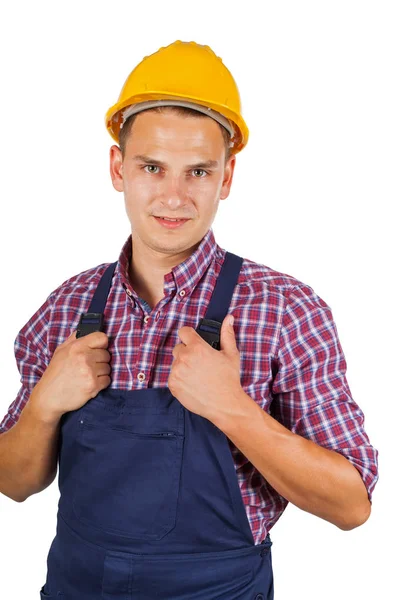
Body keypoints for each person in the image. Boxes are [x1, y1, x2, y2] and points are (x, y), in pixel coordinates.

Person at [0, 40, 379, 599]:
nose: (174, 197)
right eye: (152, 167)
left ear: (226, 178)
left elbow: (352, 506)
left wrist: (232, 408)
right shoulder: (66, 309)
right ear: (117, 167)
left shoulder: (284, 311)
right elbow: (14, 482)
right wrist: (46, 404)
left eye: (198, 172)